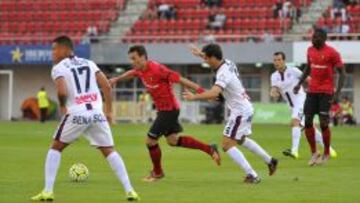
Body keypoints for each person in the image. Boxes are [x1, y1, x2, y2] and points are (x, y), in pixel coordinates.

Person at [31, 36, 139, 201]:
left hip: (76, 113)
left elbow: (61, 91)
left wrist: (62, 106)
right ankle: (130, 190)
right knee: (109, 151)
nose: (52, 52)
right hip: (96, 113)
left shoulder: (58, 67)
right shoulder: (89, 63)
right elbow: (106, 86)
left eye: (55, 49)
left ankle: (47, 191)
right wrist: (108, 111)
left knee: (55, 148)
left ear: (66, 49)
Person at [109, 45, 221, 182]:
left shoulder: (157, 69)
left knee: (150, 141)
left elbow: (181, 79)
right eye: (131, 59)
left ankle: (157, 172)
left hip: (169, 110)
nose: (132, 62)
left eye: (134, 58)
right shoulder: (140, 70)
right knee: (172, 141)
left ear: (143, 57)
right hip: (164, 110)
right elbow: (131, 73)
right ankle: (209, 149)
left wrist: (203, 92)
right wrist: (116, 79)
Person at [184, 44, 278, 183]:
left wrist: (194, 97)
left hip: (240, 111)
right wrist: (200, 54)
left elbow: (214, 93)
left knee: (227, 145)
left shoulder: (223, 73)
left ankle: (252, 175)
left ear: (214, 58)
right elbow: (213, 59)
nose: (206, 61)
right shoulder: (227, 62)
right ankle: (270, 161)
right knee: (239, 139)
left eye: (207, 58)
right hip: (245, 107)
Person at [270, 52, 337, 159]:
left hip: (301, 100)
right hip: (291, 106)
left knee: (295, 122)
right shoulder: (274, 76)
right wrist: (273, 92)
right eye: (275, 60)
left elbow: (309, 80)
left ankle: (294, 151)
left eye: (279, 60)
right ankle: (330, 150)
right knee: (309, 128)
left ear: (284, 60)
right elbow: (274, 89)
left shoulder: (293, 71)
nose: (277, 62)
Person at [293, 28, 345, 166]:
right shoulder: (310, 50)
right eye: (312, 36)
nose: (312, 39)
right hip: (312, 91)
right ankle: (314, 153)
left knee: (323, 123)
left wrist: (337, 93)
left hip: (326, 92)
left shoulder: (332, 53)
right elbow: (308, 68)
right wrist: (299, 83)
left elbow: (342, 73)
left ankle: (326, 152)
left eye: (315, 37)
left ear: (323, 38)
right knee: (308, 122)